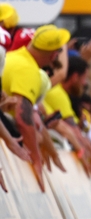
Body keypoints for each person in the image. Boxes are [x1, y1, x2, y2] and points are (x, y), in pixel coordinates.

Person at [1, 24, 70, 190]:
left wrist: (50, 149)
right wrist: (36, 160)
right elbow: (24, 119)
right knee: (36, 135)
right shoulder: (28, 70)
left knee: (39, 132)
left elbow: (32, 116)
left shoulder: (14, 56)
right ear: (54, 55)